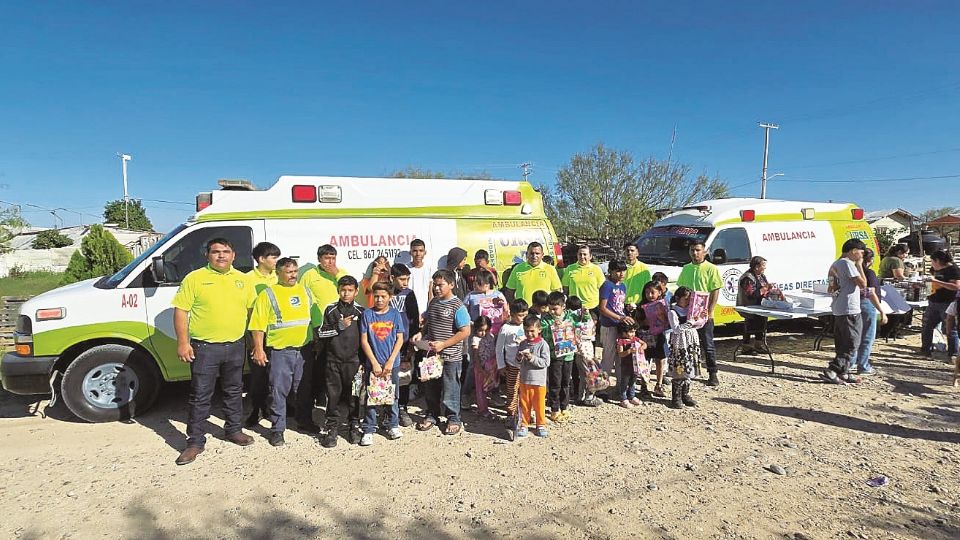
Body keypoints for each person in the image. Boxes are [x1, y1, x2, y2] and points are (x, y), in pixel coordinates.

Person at [172, 238, 257, 466]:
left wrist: (253, 342)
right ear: (207, 255)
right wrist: (183, 343)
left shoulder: (243, 280)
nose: (221, 255)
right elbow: (181, 311)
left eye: (226, 251)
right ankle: (195, 442)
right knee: (200, 396)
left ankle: (234, 430)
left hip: (236, 346)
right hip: (204, 348)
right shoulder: (195, 278)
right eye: (216, 252)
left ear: (233, 255)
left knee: (234, 391)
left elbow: (251, 313)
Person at [248, 257, 314, 447]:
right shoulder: (268, 295)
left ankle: (304, 421)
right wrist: (258, 349)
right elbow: (257, 326)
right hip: (280, 352)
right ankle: (278, 429)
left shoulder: (305, 291)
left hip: (304, 350)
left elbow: (314, 319)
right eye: (289, 272)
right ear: (278, 273)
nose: (293, 275)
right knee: (278, 391)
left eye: (295, 271)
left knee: (303, 389)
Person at [297, 244, 349, 432]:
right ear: (319, 259)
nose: (330, 262)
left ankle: (338, 407)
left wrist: (336, 274)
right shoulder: (309, 275)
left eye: (333, 258)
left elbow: (351, 292)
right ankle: (311, 410)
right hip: (319, 330)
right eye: (327, 258)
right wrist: (311, 328)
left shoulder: (341, 274)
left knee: (337, 370)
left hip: (340, 330)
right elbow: (303, 302)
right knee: (316, 372)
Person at [414, 269, 472, 435]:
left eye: (440, 285)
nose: (437, 288)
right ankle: (432, 414)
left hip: (451, 356)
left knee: (450, 388)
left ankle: (453, 417)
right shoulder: (433, 303)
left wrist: (444, 344)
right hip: (432, 356)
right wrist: (421, 334)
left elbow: (465, 331)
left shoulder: (458, 306)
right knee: (431, 387)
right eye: (435, 285)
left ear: (451, 284)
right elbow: (429, 323)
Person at [317, 276, 365, 448]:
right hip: (333, 361)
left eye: (350, 290)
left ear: (356, 292)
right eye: (343, 290)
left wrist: (364, 362)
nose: (346, 293)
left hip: (354, 362)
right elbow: (321, 333)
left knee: (354, 395)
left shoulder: (361, 312)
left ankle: (354, 425)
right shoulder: (330, 310)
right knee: (333, 396)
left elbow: (366, 338)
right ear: (338, 291)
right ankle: (332, 428)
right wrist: (338, 326)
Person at [358, 282, 407, 446]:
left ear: (390, 297)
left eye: (383, 296)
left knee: (392, 394)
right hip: (374, 364)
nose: (379, 299)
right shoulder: (367, 314)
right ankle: (369, 428)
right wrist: (374, 362)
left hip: (392, 364)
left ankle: (392, 424)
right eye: (376, 296)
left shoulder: (395, 314)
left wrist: (391, 361)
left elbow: (400, 338)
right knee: (372, 396)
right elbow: (364, 340)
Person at [821, 239, 868, 384]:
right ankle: (833, 369)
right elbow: (863, 284)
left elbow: (832, 286)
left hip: (839, 308)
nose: (862, 256)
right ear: (854, 251)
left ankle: (844, 372)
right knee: (852, 343)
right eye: (861, 253)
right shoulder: (848, 264)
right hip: (850, 309)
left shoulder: (835, 264)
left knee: (842, 342)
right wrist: (859, 266)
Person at [244, 241, 281, 428]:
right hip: (257, 333)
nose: (276, 261)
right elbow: (247, 310)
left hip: (278, 334)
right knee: (258, 376)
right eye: (273, 257)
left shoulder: (279, 276)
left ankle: (275, 409)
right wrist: (251, 339)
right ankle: (256, 410)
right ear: (261, 259)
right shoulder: (248, 279)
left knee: (277, 374)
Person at [676, 241, 722, 386]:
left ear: (704, 251)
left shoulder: (711, 268)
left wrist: (710, 310)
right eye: (692, 250)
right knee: (685, 343)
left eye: (697, 250)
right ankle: (685, 371)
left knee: (708, 344)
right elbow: (681, 289)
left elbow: (715, 290)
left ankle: (712, 373)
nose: (695, 253)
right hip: (688, 314)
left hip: (704, 314)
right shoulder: (686, 268)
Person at [598, 260, 635, 398]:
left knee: (621, 357)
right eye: (618, 270)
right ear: (611, 271)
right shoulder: (607, 285)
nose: (621, 274)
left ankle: (621, 386)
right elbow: (602, 308)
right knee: (608, 357)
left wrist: (627, 310)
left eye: (623, 270)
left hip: (620, 326)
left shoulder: (623, 286)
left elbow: (618, 305)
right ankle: (601, 388)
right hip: (609, 325)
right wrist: (619, 317)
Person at [389, 263, 420, 427]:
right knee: (386, 377)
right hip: (386, 344)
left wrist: (411, 345)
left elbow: (414, 319)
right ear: (392, 278)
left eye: (407, 279)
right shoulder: (384, 293)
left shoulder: (409, 294)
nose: (405, 282)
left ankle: (402, 408)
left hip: (404, 344)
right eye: (402, 279)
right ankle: (387, 410)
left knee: (403, 377)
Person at [541, 291, 577, 423]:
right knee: (555, 383)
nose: (552, 311)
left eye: (555, 309)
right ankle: (554, 409)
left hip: (568, 355)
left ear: (563, 307)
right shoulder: (545, 319)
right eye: (550, 308)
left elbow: (581, 323)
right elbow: (542, 332)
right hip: (554, 356)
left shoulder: (570, 316)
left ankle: (564, 407)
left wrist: (585, 314)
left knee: (566, 382)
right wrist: (552, 327)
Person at [495, 299, 529, 435]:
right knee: (512, 390)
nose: (523, 318)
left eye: (525, 315)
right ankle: (511, 414)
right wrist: (501, 365)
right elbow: (499, 348)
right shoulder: (506, 328)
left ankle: (525, 413)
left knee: (526, 390)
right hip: (512, 366)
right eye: (520, 315)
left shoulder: (528, 326)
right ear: (512, 314)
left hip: (527, 366)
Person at [853, 248, 888, 376]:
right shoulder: (869, 273)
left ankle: (852, 363)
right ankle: (863, 365)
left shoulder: (852, 271)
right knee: (867, 336)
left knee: (856, 335)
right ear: (870, 260)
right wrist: (881, 310)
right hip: (866, 304)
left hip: (854, 304)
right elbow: (870, 292)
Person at [516, 314, 551, 439]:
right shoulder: (523, 344)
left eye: (532, 331)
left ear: (539, 330)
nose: (529, 334)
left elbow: (545, 362)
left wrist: (532, 358)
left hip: (538, 381)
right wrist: (519, 357)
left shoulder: (543, 345)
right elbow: (518, 362)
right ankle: (524, 424)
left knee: (539, 404)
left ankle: (540, 424)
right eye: (526, 331)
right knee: (524, 404)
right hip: (525, 380)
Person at [921, 250, 960, 360]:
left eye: (932, 261)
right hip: (933, 301)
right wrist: (923, 285)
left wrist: (937, 282)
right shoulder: (934, 269)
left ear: (938, 261)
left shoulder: (954, 270)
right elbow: (931, 283)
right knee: (927, 326)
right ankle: (926, 349)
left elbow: (956, 287)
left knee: (950, 329)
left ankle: (953, 354)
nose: (931, 264)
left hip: (947, 303)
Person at [666, 287, 700, 409]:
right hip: (680, 342)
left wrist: (701, 318)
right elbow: (676, 329)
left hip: (691, 341)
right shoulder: (673, 312)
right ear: (678, 298)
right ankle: (676, 397)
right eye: (686, 298)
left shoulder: (691, 310)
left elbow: (698, 325)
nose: (688, 301)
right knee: (680, 367)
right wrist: (690, 323)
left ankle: (685, 394)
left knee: (689, 366)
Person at [635, 281, 667, 398]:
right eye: (647, 292)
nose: (649, 295)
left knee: (660, 359)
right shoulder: (641, 306)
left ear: (659, 292)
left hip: (659, 336)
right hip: (645, 337)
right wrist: (645, 321)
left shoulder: (663, 305)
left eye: (652, 292)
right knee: (645, 361)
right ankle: (644, 386)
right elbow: (637, 322)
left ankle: (659, 384)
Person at [567, 295, 600, 407]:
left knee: (583, 376)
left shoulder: (572, 319)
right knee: (590, 375)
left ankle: (580, 397)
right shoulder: (581, 323)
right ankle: (589, 397)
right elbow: (581, 339)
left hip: (580, 352)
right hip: (585, 352)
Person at [737, 256, 771, 355]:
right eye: (763, 265)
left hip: (761, 306)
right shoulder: (748, 278)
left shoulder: (761, 276)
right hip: (749, 306)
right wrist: (765, 289)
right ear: (756, 267)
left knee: (762, 323)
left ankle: (758, 345)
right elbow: (751, 295)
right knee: (750, 325)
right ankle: (746, 347)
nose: (765, 268)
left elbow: (765, 287)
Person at [561, 245, 605, 315]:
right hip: (574, 307)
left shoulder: (596, 269)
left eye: (585, 254)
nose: (582, 257)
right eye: (580, 254)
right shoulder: (570, 269)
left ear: (590, 256)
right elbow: (565, 289)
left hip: (592, 307)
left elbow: (602, 289)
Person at [469, 315, 497, 419]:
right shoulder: (476, 339)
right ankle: (482, 409)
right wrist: (480, 369)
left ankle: (487, 406)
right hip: (480, 368)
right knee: (480, 390)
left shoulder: (491, 336)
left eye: (486, 330)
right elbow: (475, 356)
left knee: (488, 388)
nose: (483, 333)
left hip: (491, 367)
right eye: (480, 330)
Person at [616, 320, 647, 408]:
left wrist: (641, 347)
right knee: (624, 382)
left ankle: (631, 396)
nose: (633, 334)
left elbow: (644, 344)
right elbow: (620, 354)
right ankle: (623, 398)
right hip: (626, 366)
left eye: (634, 331)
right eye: (631, 332)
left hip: (636, 365)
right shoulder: (621, 342)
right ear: (624, 332)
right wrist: (629, 351)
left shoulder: (635, 339)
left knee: (633, 382)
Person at [406, 239, 435, 317]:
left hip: (425, 311)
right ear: (410, 252)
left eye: (421, 251)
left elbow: (430, 292)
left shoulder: (430, 269)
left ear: (425, 252)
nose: (418, 254)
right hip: (409, 310)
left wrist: (429, 311)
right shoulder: (405, 268)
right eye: (415, 251)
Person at [623, 243, 652, 310]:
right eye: (627, 250)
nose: (629, 253)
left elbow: (648, 286)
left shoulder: (644, 268)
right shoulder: (620, 267)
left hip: (639, 304)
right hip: (621, 303)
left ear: (637, 253)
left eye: (632, 250)